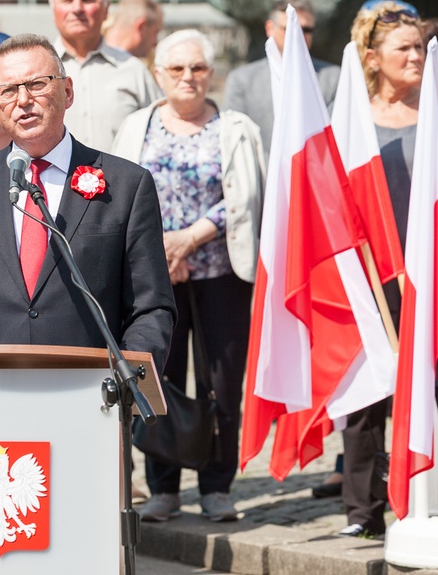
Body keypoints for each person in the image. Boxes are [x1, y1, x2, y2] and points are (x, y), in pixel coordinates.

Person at [0, 33, 176, 380]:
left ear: (68, 92)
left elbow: (149, 308)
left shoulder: (126, 186)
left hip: (89, 395)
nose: (24, 100)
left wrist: (127, 383)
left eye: (37, 84)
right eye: (8, 91)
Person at [113, 29, 265, 523]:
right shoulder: (137, 126)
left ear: (211, 72)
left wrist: (190, 238)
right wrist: (164, 248)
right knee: (159, 378)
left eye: (197, 68)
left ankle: (217, 486)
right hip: (156, 275)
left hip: (221, 271)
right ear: (158, 74)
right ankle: (163, 486)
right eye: (176, 68)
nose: (188, 77)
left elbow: (246, 195)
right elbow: (123, 196)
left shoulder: (236, 126)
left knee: (222, 381)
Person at [339, 0, 438, 538]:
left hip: (432, 276)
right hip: (369, 277)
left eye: (421, 47)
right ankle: (362, 509)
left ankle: (431, 496)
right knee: (367, 395)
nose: (418, 56)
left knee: (437, 389)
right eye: (405, 49)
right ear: (374, 58)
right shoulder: (351, 116)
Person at [49, 0, 160, 151]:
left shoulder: (134, 71)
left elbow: (160, 135)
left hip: (123, 178)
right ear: (53, 8)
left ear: (106, 9)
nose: (77, 8)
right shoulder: (35, 72)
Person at [223, 0, 340, 153]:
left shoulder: (333, 78)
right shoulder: (242, 80)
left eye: (306, 30)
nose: (299, 35)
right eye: (291, 28)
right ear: (270, 28)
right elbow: (234, 141)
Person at [102, 0, 164, 64]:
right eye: (155, 33)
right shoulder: (136, 71)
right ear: (141, 27)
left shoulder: (89, 56)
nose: (155, 42)